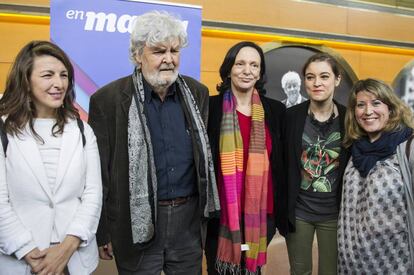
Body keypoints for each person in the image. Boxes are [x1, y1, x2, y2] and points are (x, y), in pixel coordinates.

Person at [88, 11, 220, 275]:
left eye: (174, 50)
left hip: (188, 223)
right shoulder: (108, 100)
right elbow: (98, 172)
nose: (169, 59)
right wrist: (102, 231)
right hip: (134, 225)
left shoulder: (197, 94)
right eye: (159, 51)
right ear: (138, 55)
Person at [0, 40, 102, 274]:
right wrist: (30, 253)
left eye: (63, 75)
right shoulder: (3, 130)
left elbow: (93, 194)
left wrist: (67, 248)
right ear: (25, 81)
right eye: (48, 75)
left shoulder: (82, 130)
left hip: (74, 259)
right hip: (20, 259)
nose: (58, 84)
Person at [204, 41, 288, 274]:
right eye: (240, 63)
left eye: (254, 65)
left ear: (260, 72)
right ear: (229, 68)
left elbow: (280, 165)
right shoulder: (210, 107)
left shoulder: (275, 111)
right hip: (220, 214)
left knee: (252, 270)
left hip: (261, 215)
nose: (247, 70)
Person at [339, 78, 414, 274]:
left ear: (390, 108)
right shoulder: (353, 147)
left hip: (394, 264)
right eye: (360, 105)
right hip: (351, 263)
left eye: (376, 103)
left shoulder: (408, 146)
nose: (368, 111)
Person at [285, 52, 349, 275]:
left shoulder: (349, 119)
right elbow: (283, 164)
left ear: (337, 80)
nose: (317, 83)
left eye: (324, 76)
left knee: (331, 272)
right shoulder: (291, 116)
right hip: (300, 210)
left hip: (334, 212)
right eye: (310, 77)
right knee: (299, 271)